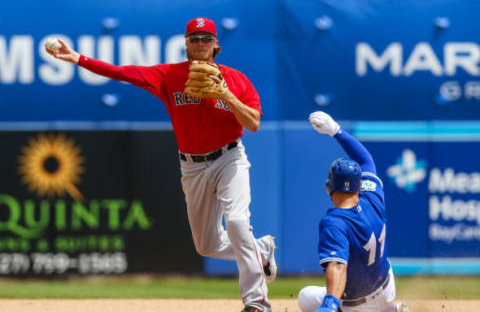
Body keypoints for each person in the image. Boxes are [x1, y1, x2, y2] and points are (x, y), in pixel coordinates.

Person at [45, 17, 277, 312]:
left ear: (216, 44)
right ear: (186, 44)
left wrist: (225, 95)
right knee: (206, 245)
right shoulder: (168, 75)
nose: (200, 43)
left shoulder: (236, 79)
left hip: (230, 159)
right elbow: (122, 72)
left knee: (237, 223)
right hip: (192, 166)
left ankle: (256, 303)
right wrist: (77, 58)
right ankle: (262, 251)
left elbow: (253, 123)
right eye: (194, 38)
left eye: (206, 38)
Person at [297, 111, 408, 312]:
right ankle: (387, 309)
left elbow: (337, 267)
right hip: (387, 287)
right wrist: (335, 130)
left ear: (328, 187)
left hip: (357, 303)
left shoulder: (334, 222)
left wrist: (329, 304)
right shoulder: (373, 196)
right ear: (358, 186)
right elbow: (365, 159)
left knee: (305, 297)